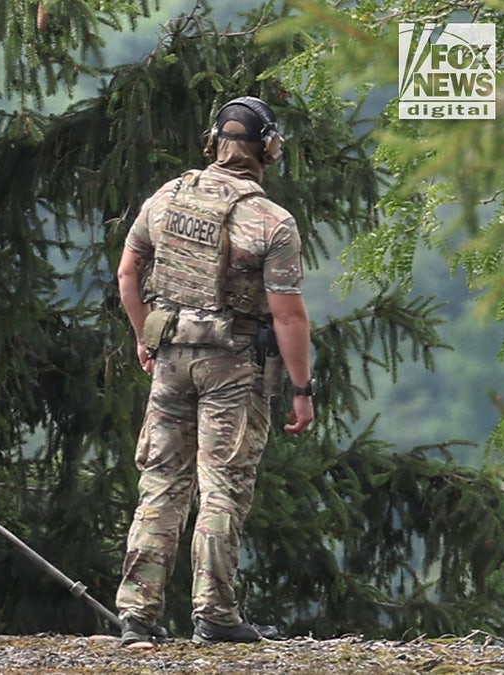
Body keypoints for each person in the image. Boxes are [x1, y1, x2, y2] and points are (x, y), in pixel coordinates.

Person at [111, 95, 315, 645]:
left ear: (212, 142)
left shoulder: (166, 198)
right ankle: (216, 614)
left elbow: (129, 274)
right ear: (269, 148)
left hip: (171, 357)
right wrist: (302, 388)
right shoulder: (272, 221)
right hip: (234, 366)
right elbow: (288, 314)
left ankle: (137, 614)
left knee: (160, 481)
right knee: (222, 484)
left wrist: (143, 334)